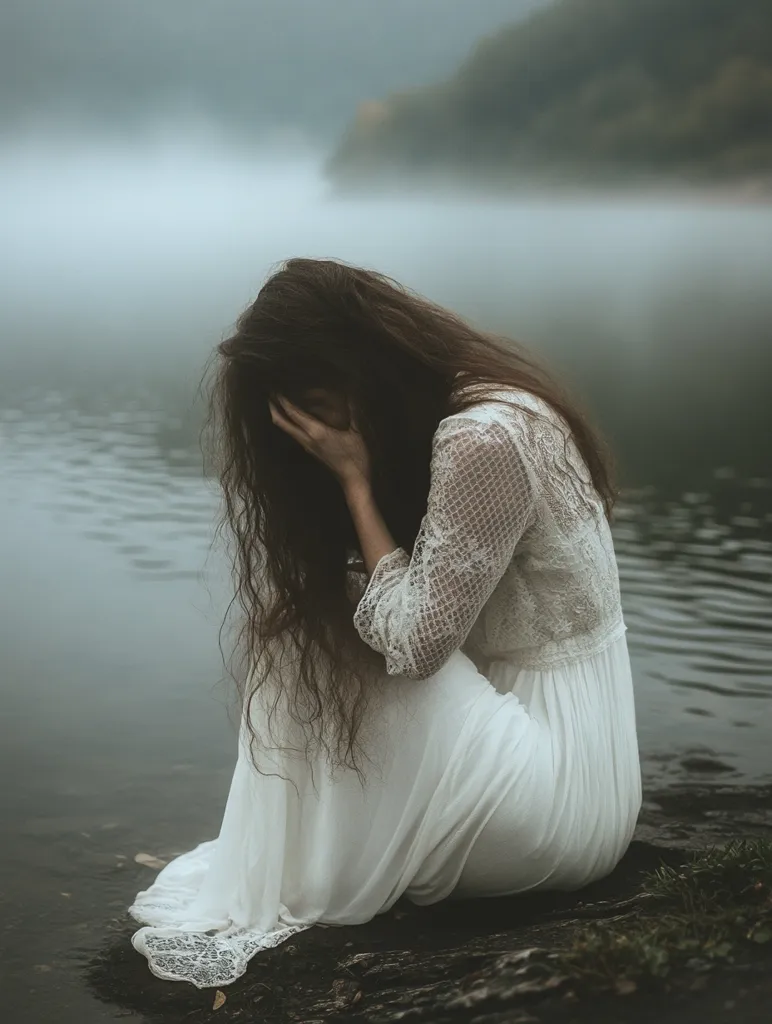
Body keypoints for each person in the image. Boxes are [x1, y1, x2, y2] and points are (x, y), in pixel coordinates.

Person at [129, 257, 641, 988]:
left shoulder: (483, 438)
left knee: (313, 629)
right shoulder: (489, 400)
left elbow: (417, 645)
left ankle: (297, 869)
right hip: (558, 772)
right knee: (330, 607)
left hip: (553, 814)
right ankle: (314, 856)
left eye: (313, 401)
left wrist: (355, 482)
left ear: (359, 367)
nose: (311, 429)